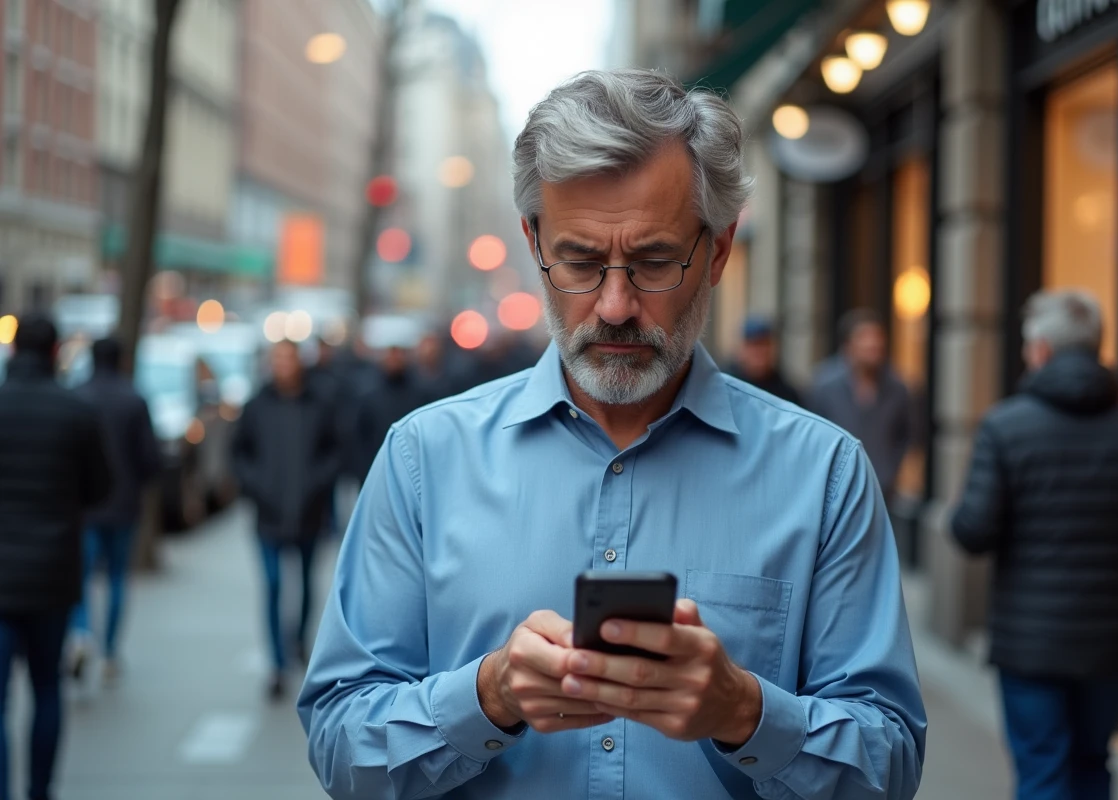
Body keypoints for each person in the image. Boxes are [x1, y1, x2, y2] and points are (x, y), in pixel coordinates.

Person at [299, 69, 925, 800]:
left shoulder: (824, 474)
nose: (617, 304)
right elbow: (342, 748)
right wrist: (487, 695)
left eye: (655, 262)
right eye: (581, 262)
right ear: (534, 243)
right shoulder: (421, 462)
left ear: (718, 251)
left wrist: (745, 710)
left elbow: (889, 766)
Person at [951, 290, 1118, 800]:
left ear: (1040, 349)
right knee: (1092, 764)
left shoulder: (1005, 426)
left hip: (1031, 644)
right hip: (1114, 644)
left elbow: (972, 532)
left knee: (1043, 772)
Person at [0, 316, 111, 800]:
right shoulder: (76, 411)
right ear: (54, 352)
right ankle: (40, 791)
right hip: (53, 573)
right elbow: (100, 487)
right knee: (48, 688)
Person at [232, 340, 340, 701]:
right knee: (274, 584)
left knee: (307, 582)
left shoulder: (320, 404)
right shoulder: (256, 406)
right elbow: (239, 452)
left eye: (288, 358)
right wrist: (255, 484)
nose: (282, 365)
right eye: (276, 358)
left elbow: (333, 450)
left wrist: (317, 484)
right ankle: (277, 664)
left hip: (308, 512)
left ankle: (298, 641)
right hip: (268, 513)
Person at [68, 337, 161, 684]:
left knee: (82, 576)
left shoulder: (77, 396)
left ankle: (80, 634)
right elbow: (150, 458)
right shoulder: (133, 399)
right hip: (123, 503)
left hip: (84, 507)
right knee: (118, 577)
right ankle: (109, 651)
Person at [807, 309, 912, 502]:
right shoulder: (824, 385)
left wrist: (890, 472)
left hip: (882, 492)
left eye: (878, 338)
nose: (873, 344)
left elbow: (903, 437)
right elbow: (813, 437)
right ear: (847, 346)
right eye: (865, 338)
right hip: (835, 494)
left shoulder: (897, 388)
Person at [353, 343, 428, 483]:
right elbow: (359, 439)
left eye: (398, 353)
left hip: (413, 473)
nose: (394, 358)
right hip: (376, 471)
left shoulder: (420, 393)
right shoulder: (369, 395)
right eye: (391, 353)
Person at [727, 317, 803, 406]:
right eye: (754, 345)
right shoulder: (728, 385)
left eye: (765, 344)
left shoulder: (786, 392)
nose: (760, 351)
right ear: (741, 348)